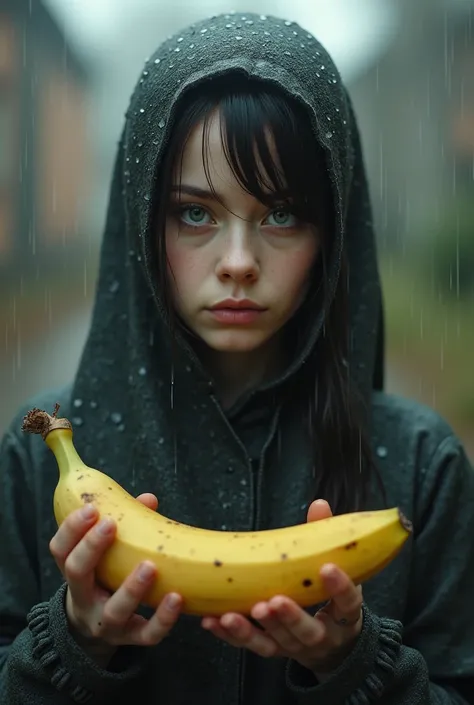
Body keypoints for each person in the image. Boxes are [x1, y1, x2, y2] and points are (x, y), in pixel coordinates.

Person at [0, 10, 473, 705]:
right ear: (142, 217)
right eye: (195, 213)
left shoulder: (423, 466)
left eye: (282, 213)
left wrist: (360, 668)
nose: (239, 263)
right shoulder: (36, 458)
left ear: (334, 229)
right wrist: (73, 645)